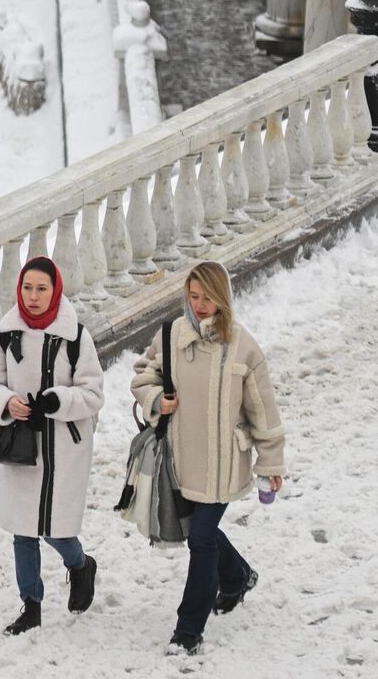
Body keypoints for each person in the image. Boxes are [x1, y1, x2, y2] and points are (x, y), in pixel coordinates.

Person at [131, 263, 286, 656]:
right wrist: (156, 401)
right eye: (193, 296)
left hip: (221, 464)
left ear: (223, 297)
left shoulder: (243, 347)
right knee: (197, 532)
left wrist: (270, 464)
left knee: (200, 539)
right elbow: (142, 378)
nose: (199, 305)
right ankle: (237, 577)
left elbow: (262, 410)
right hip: (180, 461)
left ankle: (188, 630)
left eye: (207, 297)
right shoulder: (170, 336)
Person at [0, 256, 104, 637]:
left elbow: (93, 393)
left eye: (41, 289)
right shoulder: (6, 332)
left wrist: (58, 400)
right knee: (22, 531)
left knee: (55, 529)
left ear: (55, 291)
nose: (33, 297)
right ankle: (31, 605)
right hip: (21, 446)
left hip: (65, 448)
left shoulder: (77, 337)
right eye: (27, 288)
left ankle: (81, 565)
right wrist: (6, 402)